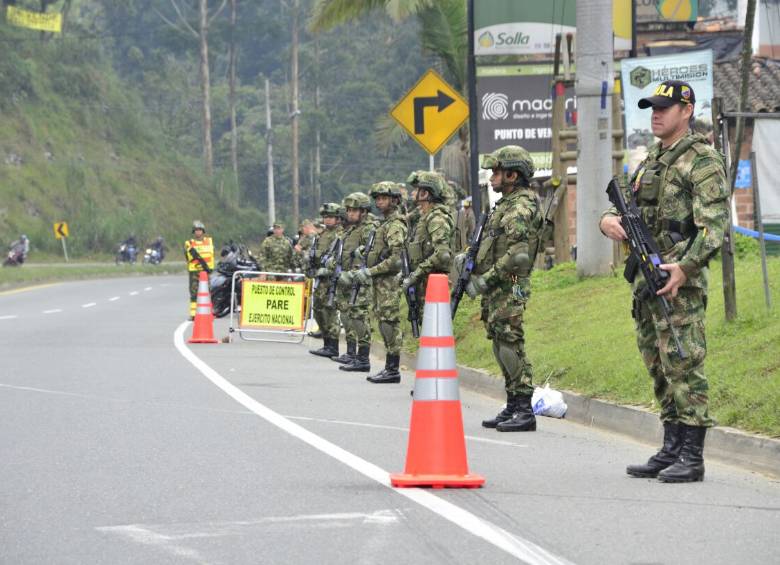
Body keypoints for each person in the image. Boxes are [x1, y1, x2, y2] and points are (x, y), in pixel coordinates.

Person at [599, 80, 729, 483]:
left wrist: (686, 268)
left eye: (664, 107)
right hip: (646, 279)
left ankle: (693, 455)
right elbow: (622, 207)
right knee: (658, 364)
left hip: (678, 283)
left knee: (685, 364)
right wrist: (606, 221)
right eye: (652, 107)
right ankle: (671, 446)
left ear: (686, 111)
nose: (655, 113)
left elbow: (714, 227)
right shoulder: (651, 160)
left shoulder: (703, 160)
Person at [466, 145, 542, 432]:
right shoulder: (505, 204)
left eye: (497, 171)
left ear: (513, 174)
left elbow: (518, 254)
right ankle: (512, 405)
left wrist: (486, 280)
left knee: (510, 340)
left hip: (511, 282)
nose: (492, 177)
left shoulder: (521, 205)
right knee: (499, 341)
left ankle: (524, 409)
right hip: (499, 282)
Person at [350, 182, 408, 384]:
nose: (379, 201)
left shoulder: (395, 225)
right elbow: (380, 251)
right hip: (380, 282)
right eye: (377, 198)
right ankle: (389, 367)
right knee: (383, 322)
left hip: (389, 282)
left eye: (383, 197)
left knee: (389, 323)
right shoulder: (383, 225)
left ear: (394, 200)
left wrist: (371, 271)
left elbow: (396, 258)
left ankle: (392, 368)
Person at [403, 171, 454, 319]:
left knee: (433, 329)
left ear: (425, 193)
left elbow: (442, 254)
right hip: (422, 286)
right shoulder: (424, 217)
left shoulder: (437, 217)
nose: (413, 193)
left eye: (417, 190)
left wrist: (416, 274)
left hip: (432, 286)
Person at [333, 192, 375, 372]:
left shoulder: (369, 228)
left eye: (354, 210)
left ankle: (363, 358)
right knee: (349, 316)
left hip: (360, 279)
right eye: (348, 210)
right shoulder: (351, 230)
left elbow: (369, 253)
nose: (350, 214)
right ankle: (355, 355)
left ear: (364, 211)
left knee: (359, 316)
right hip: (347, 278)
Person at [309, 203, 344, 358]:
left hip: (332, 279)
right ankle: (326, 343)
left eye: (331, 217)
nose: (327, 220)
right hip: (319, 279)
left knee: (330, 313)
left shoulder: (340, 235)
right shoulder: (321, 235)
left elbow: (339, 257)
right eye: (325, 217)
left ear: (337, 219)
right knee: (318, 310)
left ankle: (333, 346)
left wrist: (328, 270)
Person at [184, 220, 215, 319]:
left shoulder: (209, 241)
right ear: (194, 232)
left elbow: (212, 255)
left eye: (200, 230)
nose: (198, 232)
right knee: (194, 293)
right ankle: (193, 315)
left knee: (207, 292)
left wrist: (210, 268)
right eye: (196, 230)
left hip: (206, 271)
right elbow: (187, 256)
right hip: (194, 271)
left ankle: (209, 313)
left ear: (203, 231)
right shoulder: (189, 243)